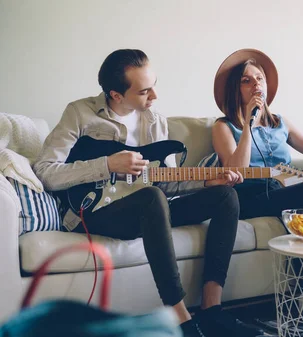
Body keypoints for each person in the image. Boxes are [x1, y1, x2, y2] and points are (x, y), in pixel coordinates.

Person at [34, 49, 263, 337]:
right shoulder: (79, 113)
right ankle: (180, 319)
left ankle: (211, 309)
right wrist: (106, 165)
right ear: (116, 95)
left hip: (151, 209)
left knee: (225, 196)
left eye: (154, 84)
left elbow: (165, 181)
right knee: (152, 198)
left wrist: (209, 181)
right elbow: (45, 170)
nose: (154, 96)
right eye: (144, 91)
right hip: (94, 211)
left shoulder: (154, 120)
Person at [211, 48, 303, 317]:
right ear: (236, 90)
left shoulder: (281, 123)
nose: (256, 84)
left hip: (284, 191)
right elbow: (236, 169)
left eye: (260, 79)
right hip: (247, 196)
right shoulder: (223, 126)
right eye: (247, 80)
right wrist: (248, 125)